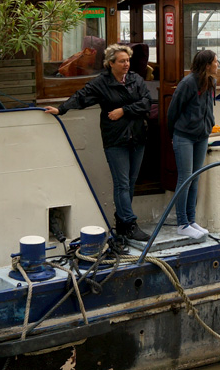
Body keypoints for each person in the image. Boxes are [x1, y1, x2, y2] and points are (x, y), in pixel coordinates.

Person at [45, 43, 152, 246]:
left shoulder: (136, 79)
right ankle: (129, 224)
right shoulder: (101, 83)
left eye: (128, 60)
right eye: (122, 61)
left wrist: (124, 110)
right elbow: (81, 97)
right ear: (110, 63)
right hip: (116, 139)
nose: (126, 64)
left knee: (131, 181)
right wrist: (61, 109)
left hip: (137, 137)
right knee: (121, 183)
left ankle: (121, 223)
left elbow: (146, 102)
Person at [167, 48, 217, 240]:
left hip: (201, 136)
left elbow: (208, 107)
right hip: (184, 136)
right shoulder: (187, 83)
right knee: (185, 178)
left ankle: (191, 219)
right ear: (207, 65)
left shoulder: (210, 82)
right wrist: (174, 134)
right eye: (215, 61)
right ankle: (182, 223)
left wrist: (209, 125)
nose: (218, 65)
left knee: (195, 177)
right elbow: (173, 110)